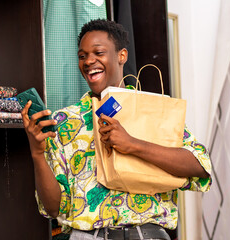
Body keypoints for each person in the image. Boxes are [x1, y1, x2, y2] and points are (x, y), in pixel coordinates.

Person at [21, 19, 211, 240]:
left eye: (98, 52)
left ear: (122, 56)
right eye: (82, 56)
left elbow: (200, 165)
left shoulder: (152, 110)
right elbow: (53, 208)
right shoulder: (63, 121)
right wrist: (36, 152)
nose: (89, 61)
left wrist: (133, 145)